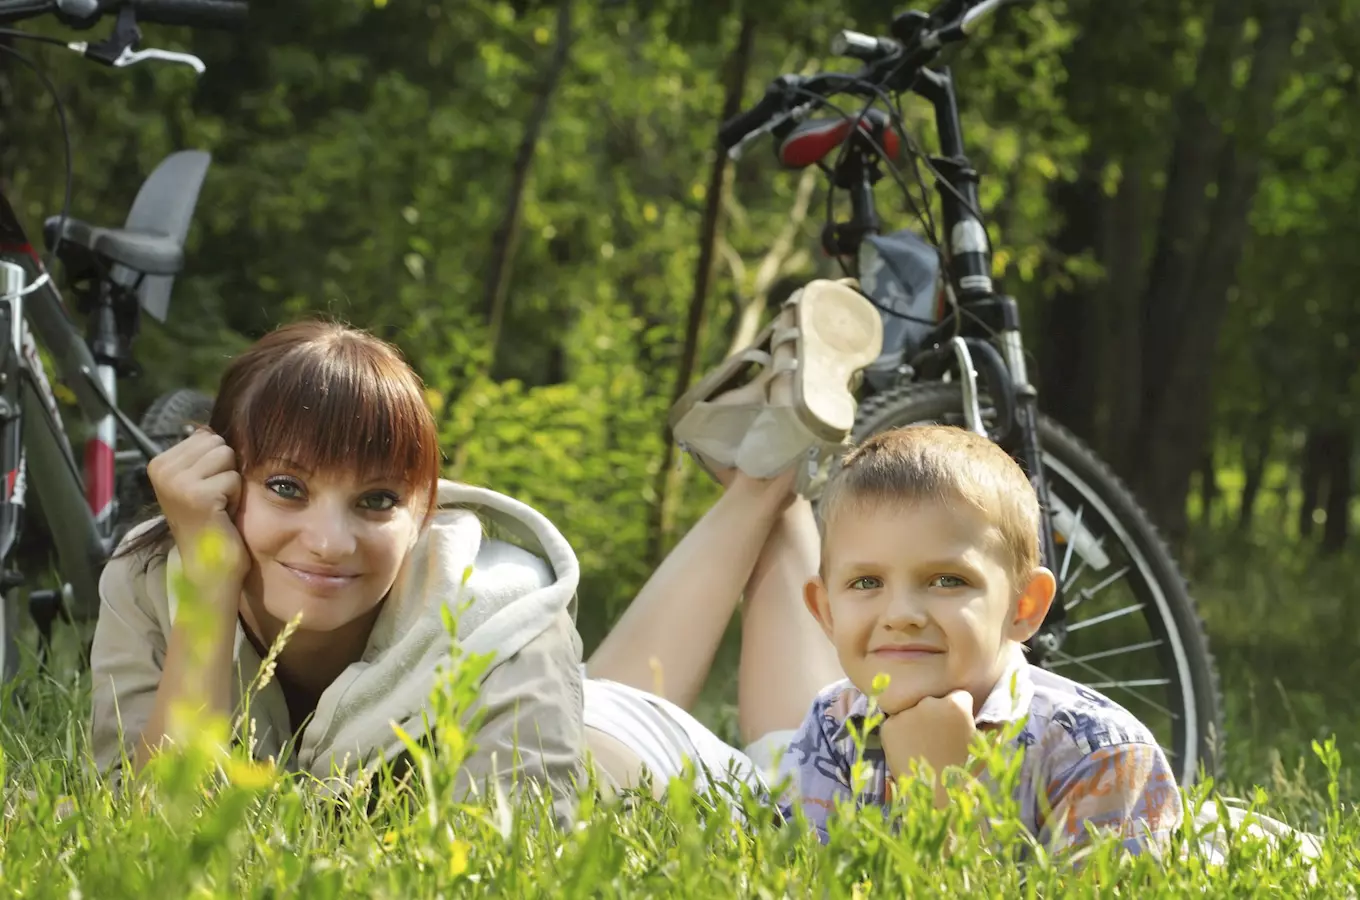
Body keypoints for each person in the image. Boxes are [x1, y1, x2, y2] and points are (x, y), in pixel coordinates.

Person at [776, 424, 1184, 854]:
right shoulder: (832, 725)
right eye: (865, 582)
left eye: (947, 580)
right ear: (826, 612)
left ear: (1023, 606)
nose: (900, 615)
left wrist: (938, 797)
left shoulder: (1098, 756)